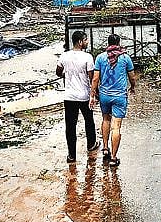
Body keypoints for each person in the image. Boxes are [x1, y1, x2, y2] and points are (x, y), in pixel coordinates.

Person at [91, 34, 136, 168]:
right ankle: (114, 158)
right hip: (119, 96)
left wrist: (93, 93)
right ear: (119, 43)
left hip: (104, 95)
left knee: (105, 119)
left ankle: (105, 148)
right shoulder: (125, 58)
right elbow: (132, 77)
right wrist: (132, 87)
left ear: (108, 43)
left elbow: (95, 78)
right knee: (116, 126)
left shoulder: (100, 57)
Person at [56, 30, 99, 163]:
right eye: (85, 40)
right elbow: (92, 77)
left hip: (69, 96)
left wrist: (67, 75)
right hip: (84, 95)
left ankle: (71, 155)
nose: (87, 42)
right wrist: (94, 93)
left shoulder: (64, 56)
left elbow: (58, 72)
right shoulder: (87, 57)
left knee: (70, 126)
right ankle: (91, 144)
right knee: (89, 121)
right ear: (80, 42)